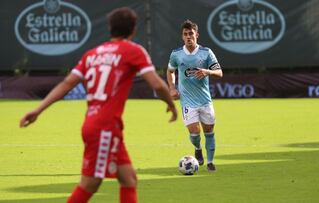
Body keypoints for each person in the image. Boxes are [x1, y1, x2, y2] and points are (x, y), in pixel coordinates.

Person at [19, 7, 177, 203]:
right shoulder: (134, 51)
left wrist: (37, 109)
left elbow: (66, 84)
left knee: (129, 178)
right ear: (133, 30)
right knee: (90, 183)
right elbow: (156, 84)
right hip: (105, 127)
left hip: (95, 124)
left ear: (110, 28)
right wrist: (171, 103)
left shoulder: (92, 54)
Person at [166, 20, 223, 172]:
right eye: (185, 34)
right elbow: (170, 71)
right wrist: (171, 87)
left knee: (209, 131)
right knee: (194, 132)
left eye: (191, 33)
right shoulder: (176, 54)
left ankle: (210, 162)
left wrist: (207, 71)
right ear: (182, 37)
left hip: (205, 100)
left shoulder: (206, 53)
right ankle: (197, 148)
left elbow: (219, 72)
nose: (188, 37)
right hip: (187, 101)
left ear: (197, 35)